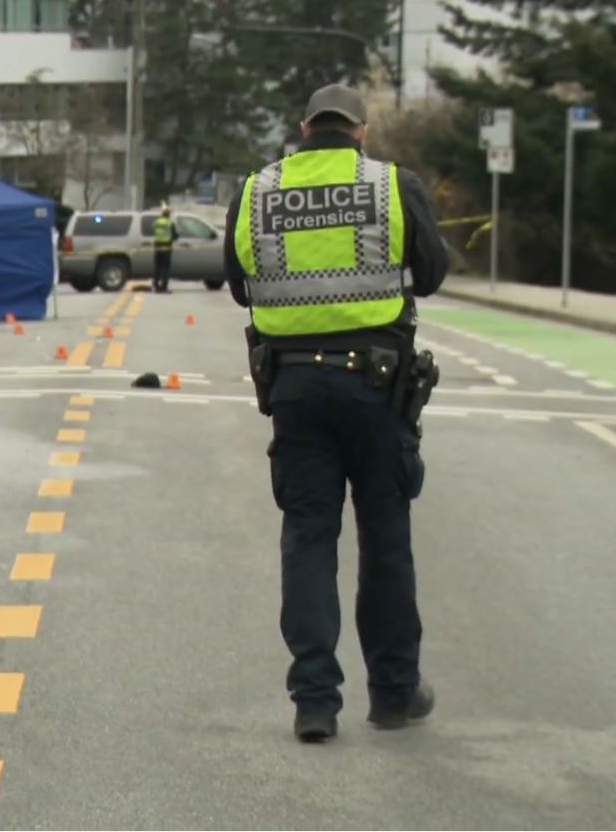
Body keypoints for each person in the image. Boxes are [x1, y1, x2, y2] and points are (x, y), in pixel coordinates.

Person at [226, 83, 450, 743]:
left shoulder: (257, 191)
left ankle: (315, 700)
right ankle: (393, 691)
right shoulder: (390, 185)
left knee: (308, 536)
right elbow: (431, 272)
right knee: (385, 537)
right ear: (361, 129)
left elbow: (240, 284)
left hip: (294, 389)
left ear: (303, 126)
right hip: (377, 388)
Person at [152, 205, 176, 293]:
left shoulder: (156, 222)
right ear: (169, 214)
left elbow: (153, 230)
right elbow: (175, 236)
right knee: (165, 269)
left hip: (157, 248)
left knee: (157, 267)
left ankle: (155, 285)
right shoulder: (170, 223)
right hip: (166, 249)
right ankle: (163, 287)